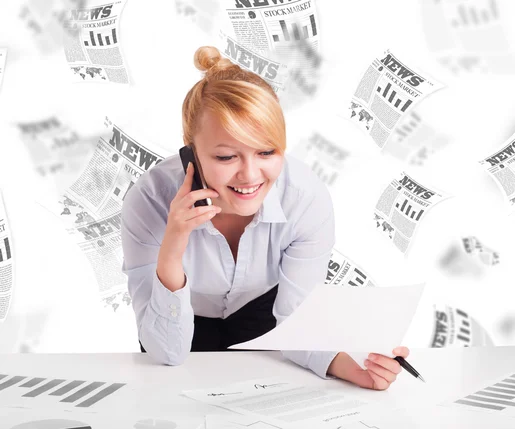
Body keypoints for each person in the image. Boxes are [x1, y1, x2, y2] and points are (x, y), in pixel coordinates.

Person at [121, 46, 409, 390]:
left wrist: (356, 370)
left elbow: (298, 321)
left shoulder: (304, 198)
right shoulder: (149, 200)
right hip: (179, 315)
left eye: (267, 151)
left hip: (262, 313)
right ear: (190, 152)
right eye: (227, 156)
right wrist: (172, 247)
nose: (250, 175)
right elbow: (168, 353)